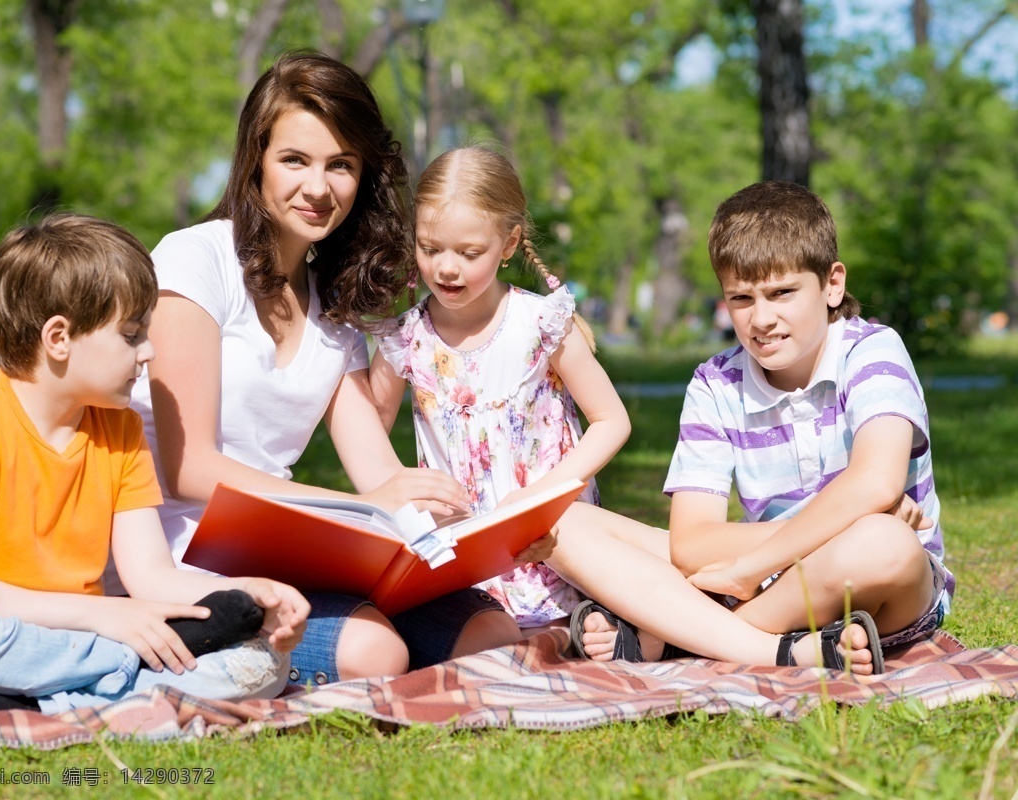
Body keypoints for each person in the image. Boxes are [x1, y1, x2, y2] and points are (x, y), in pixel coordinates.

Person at [131, 53, 522, 687]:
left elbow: (382, 478)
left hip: (294, 547)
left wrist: (472, 530)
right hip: (182, 551)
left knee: (493, 637)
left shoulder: (334, 306)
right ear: (255, 158)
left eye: (340, 165)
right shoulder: (195, 261)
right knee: (375, 653)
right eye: (295, 160)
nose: (319, 188)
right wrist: (356, 508)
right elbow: (188, 468)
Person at [0, 214, 309, 716]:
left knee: (265, 663)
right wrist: (108, 619)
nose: (149, 352)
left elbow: (152, 577)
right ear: (58, 338)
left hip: (73, 637)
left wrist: (244, 592)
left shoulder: (120, 431)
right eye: (131, 334)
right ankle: (112, 678)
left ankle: (36, 694)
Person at [554, 181, 950, 674]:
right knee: (559, 522)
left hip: (867, 582)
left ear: (832, 284)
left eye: (782, 292)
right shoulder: (716, 381)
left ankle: (680, 634)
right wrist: (830, 522)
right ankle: (769, 644)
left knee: (883, 543)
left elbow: (876, 480)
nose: (761, 319)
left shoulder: (872, 351)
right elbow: (691, 543)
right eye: (741, 298)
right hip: (761, 566)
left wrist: (750, 568)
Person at [368, 145, 630, 634]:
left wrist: (542, 498)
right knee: (484, 636)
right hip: (463, 551)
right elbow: (368, 433)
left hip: (550, 537)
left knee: (565, 628)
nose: (447, 268)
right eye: (430, 248)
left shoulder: (541, 324)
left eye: (469, 254)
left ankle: (594, 624)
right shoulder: (406, 338)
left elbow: (612, 421)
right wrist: (398, 497)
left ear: (509, 245)